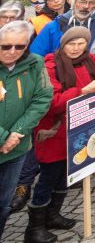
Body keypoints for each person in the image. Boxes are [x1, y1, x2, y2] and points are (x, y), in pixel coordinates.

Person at [28, 27, 95, 242]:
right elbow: (52, 103)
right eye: (71, 44)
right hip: (55, 132)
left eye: (80, 43)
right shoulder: (50, 66)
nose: (76, 48)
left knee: (67, 175)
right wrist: (82, 91)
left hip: (80, 130)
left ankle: (53, 215)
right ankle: (34, 227)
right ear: (62, 45)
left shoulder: (90, 60)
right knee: (48, 178)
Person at [0, 22, 49, 240]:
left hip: (16, 150)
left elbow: (42, 99)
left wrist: (17, 133)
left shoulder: (35, 64)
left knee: (3, 203)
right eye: (5, 46)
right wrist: (3, 136)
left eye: (19, 46)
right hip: (6, 142)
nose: (12, 52)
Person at [31, 0, 95, 57]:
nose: (86, 6)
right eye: (83, 2)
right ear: (75, 2)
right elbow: (36, 55)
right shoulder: (56, 25)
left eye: (91, 3)